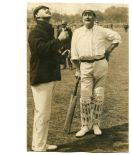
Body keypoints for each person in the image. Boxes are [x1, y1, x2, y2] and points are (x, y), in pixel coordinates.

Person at [71, 10, 121, 137]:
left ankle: (96, 124)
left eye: (90, 15)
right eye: (85, 15)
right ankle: (85, 126)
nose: (87, 17)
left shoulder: (102, 30)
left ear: (94, 17)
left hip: (100, 64)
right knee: (85, 96)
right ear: (82, 18)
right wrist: (77, 69)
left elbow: (117, 37)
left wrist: (109, 50)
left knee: (98, 95)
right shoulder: (77, 32)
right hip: (84, 66)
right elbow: (74, 54)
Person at [28, 5, 69, 151]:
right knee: (42, 113)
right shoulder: (35, 32)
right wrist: (59, 40)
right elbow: (41, 50)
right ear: (37, 16)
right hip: (41, 76)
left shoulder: (46, 30)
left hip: (47, 76)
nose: (47, 9)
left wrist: (60, 56)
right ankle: (39, 147)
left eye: (47, 9)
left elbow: (49, 52)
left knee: (44, 113)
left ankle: (41, 144)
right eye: (43, 9)